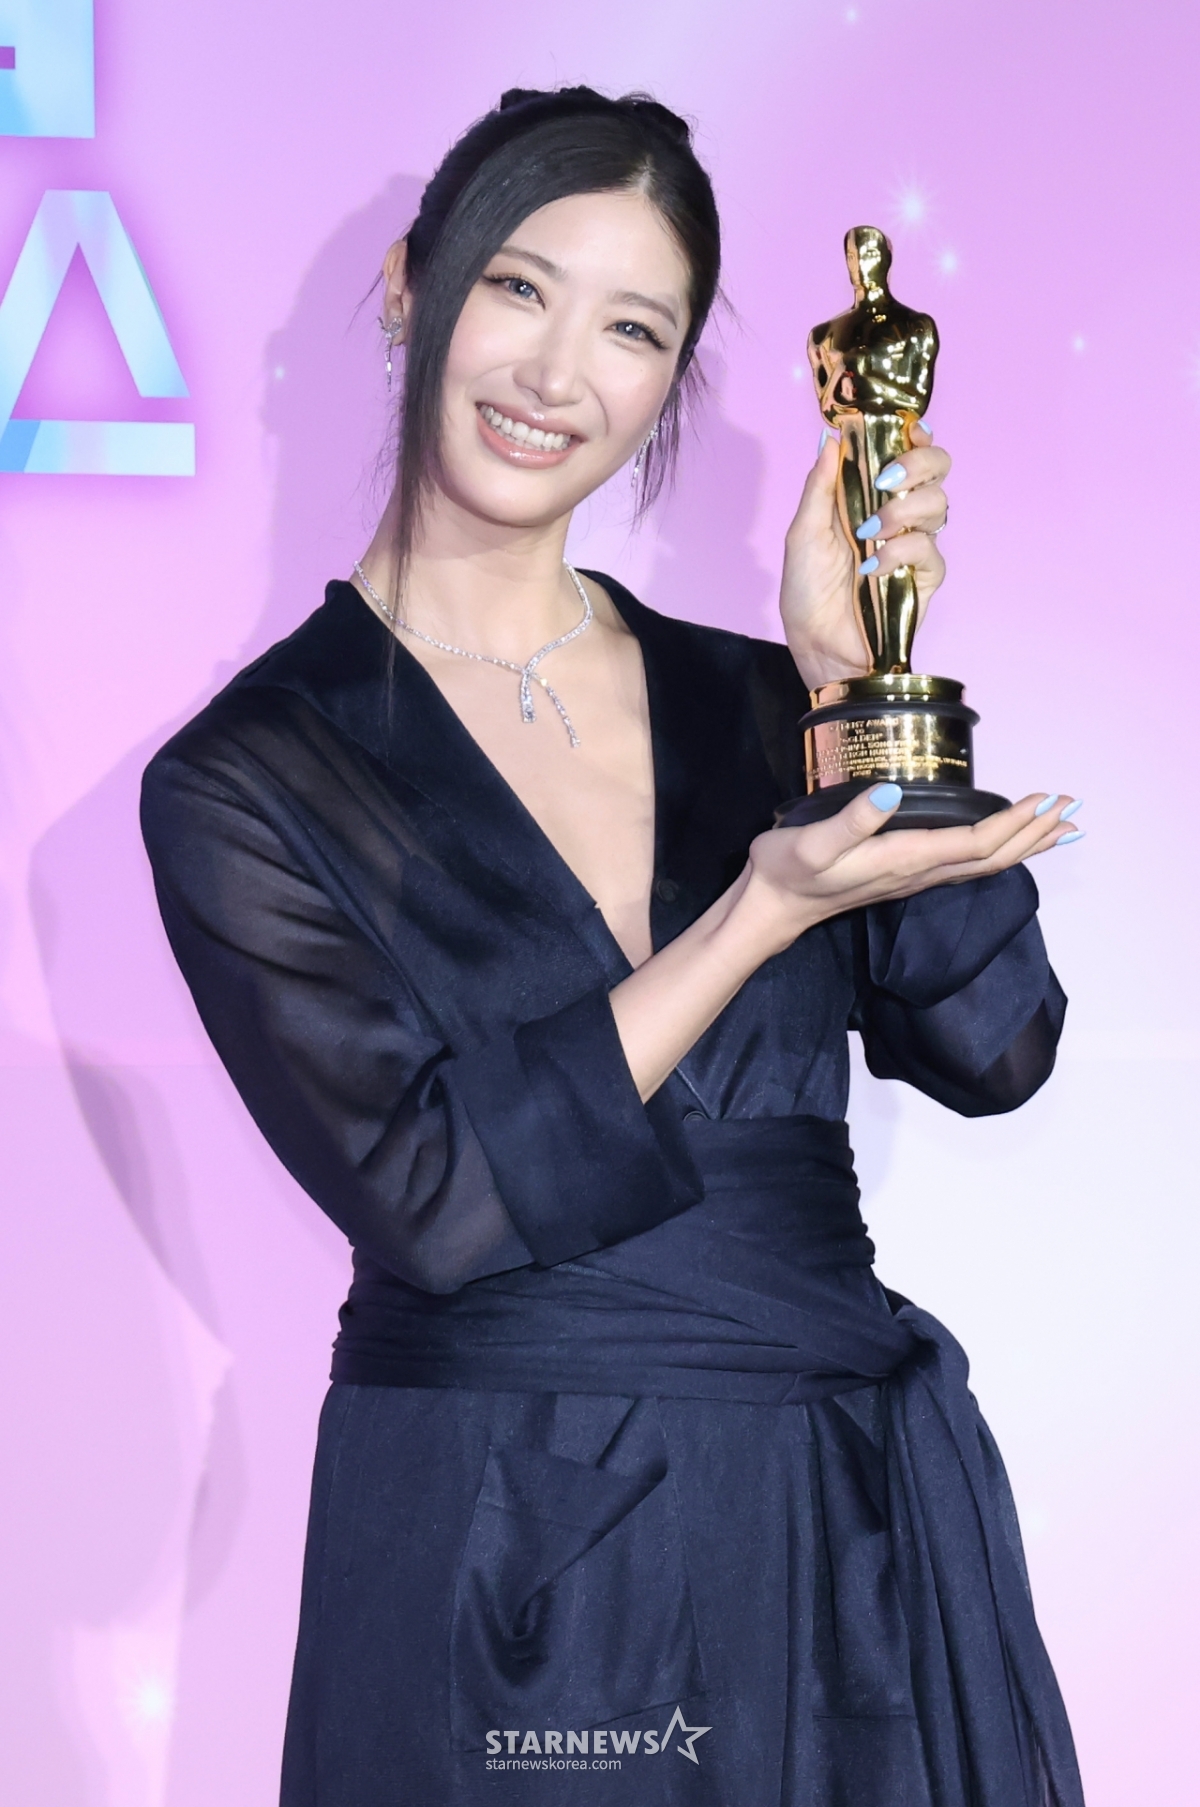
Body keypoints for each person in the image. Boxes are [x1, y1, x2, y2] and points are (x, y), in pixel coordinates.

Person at [140, 86, 1087, 1807]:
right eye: (521, 286)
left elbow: (998, 1047)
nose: (557, 373)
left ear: (672, 381)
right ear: (411, 288)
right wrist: (758, 914)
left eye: (633, 328)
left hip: (830, 1526)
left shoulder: (756, 700)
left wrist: (851, 686)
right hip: (504, 1535)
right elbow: (432, 1193)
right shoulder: (250, 776)